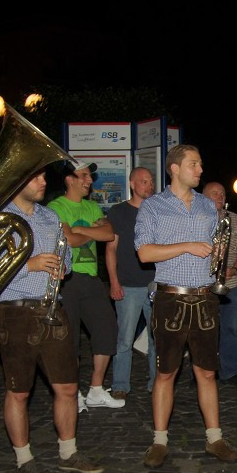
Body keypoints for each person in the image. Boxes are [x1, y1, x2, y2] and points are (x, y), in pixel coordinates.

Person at [0, 170, 103, 473]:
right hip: (14, 311)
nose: (43, 182)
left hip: (52, 308)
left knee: (67, 387)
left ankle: (68, 453)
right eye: (35, 177)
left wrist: (61, 264)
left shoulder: (49, 216)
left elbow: (66, 258)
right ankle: (24, 459)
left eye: (44, 176)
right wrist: (30, 264)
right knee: (19, 391)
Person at [135, 144, 237, 469]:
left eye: (200, 163)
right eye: (194, 164)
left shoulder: (209, 208)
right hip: (170, 298)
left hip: (205, 296)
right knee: (166, 373)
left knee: (207, 372)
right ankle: (160, 441)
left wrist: (220, 259)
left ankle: (214, 438)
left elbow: (215, 250)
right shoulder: (152, 207)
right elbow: (144, 253)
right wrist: (188, 247)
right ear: (174, 168)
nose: (200, 169)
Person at [47, 161, 121, 409]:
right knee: (70, 341)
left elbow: (109, 233)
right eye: (84, 175)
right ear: (69, 180)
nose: (89, 179)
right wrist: (88, 231)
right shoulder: (56, 207)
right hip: (67, 279)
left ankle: (96, 390)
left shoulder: (92, 207)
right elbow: (68, 239)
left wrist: (80, 229)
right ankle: (73, 394)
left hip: (90, 279)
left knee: (107, 330)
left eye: (90, 175)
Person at [106, 166, 157, 403]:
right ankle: (120, 385)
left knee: (158, 338)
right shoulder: (118, 212)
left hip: (155, 284)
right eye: (144, 181)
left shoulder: (157, 211)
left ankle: (158, 383)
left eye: (151, 181)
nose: (149, 185)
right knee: (125, 339)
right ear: (133, 184)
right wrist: (114, 281)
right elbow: (111, 248)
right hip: (128, 284)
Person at [202, 181, 237, 386]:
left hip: (230, 282)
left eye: (222, 193)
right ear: (204, 197)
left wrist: (235, 268)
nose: (220, 197)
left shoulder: (234, 219)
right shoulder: (196, 218)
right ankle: (203, 371)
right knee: (203, 329)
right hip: (203, 283)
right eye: (215, 194)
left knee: (229, 328)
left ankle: (229, 371)